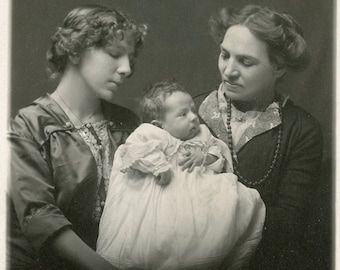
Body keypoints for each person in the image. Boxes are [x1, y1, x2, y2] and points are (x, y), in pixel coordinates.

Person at [7, 4, 147, 270]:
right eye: (114, 54)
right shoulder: (29, 126)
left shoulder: (128, 124)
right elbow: (40, 217)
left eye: (130, 58)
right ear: (74, 50)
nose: (127, 68)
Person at [197, 4, 323, 269]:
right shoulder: (189, 112)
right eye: (224, 55)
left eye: (245, 62)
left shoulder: (301, 130)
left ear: (278, 68)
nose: (228, 70)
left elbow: (289, 225)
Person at [96, 80, 266, 270]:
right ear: (159, 125)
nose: (194, 117)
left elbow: (219, 159)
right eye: (183, 114)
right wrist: (159, 166)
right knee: (151, 237)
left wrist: (204, 157)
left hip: (196, 198)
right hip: (158, 198)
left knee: (233, 206)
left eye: (193, 110)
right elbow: (134, 152)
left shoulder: (202, 135)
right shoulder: (152, 133)